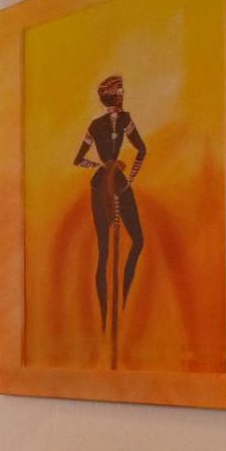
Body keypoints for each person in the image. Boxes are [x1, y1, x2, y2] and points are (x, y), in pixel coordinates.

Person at [73, 75, 146, 328]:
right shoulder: (113, 122)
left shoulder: (108, 122)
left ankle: (115, 310)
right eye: (120, 92)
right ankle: (113, 311)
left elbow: (79, 160)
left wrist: (106, 168)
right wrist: (121, 175)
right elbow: (141, 150)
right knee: (117, 247)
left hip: (107, 183)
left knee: (111, 249)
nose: (123, 96)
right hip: (110, 184)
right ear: (114, 96)